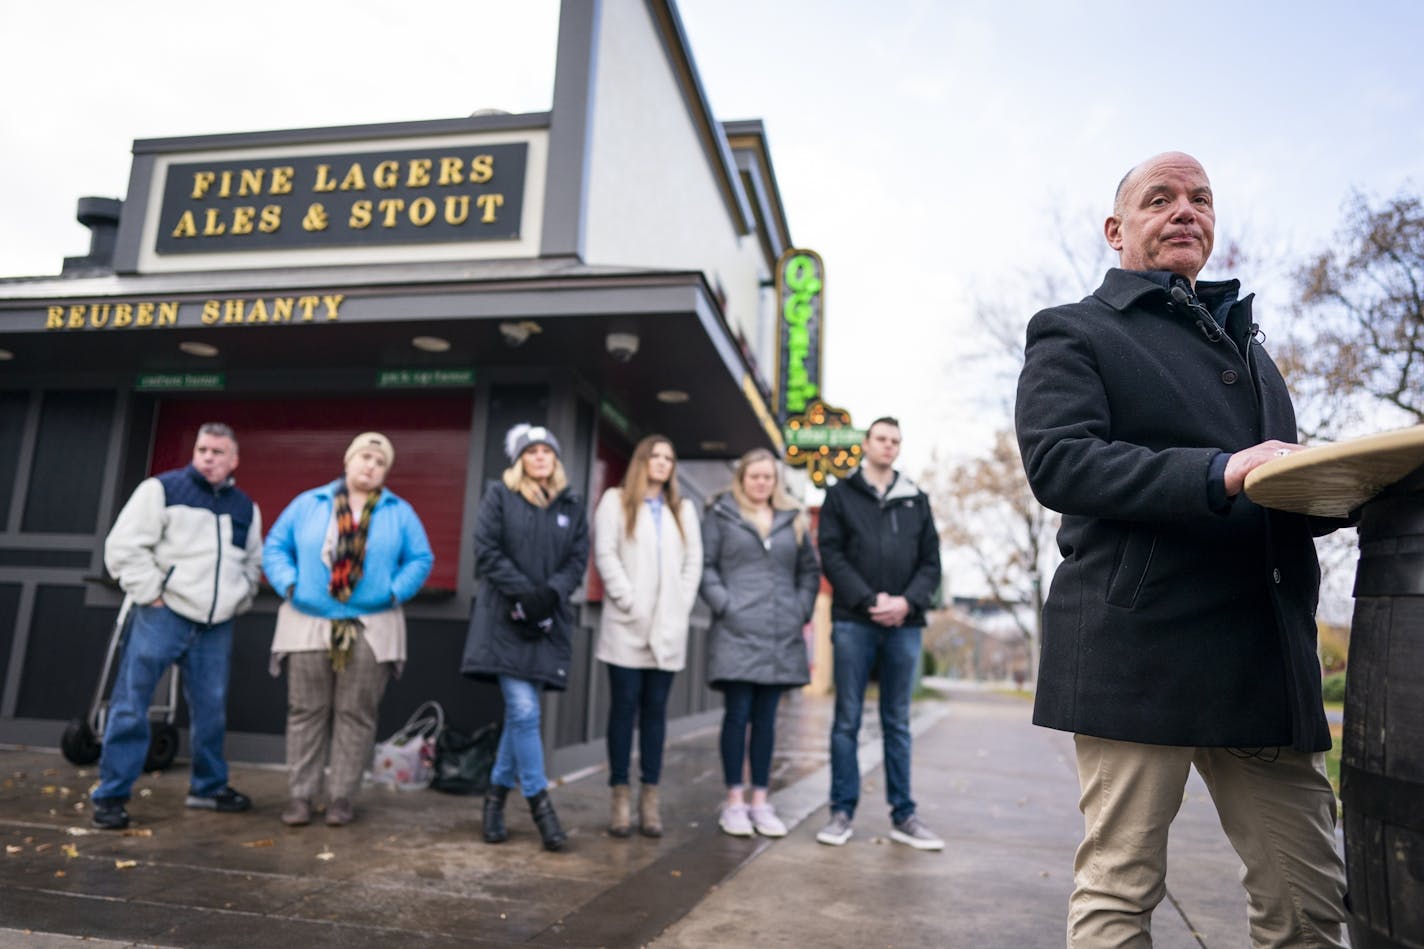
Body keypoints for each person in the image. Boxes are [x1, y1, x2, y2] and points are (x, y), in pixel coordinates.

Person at [1014, 151, 1348, 946]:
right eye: (1159, 198)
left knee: (1310, 899)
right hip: (1143, 652)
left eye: (1200, 198)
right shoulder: (1073, 330)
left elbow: (1269, 491)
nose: (1184, 210)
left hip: (1265, 661)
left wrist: (1340, 490)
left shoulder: (1252, 350)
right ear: (1115, 228)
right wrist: (1219, 471)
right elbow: (1060, 460)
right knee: (1121, 887)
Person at [91, 423, 263, 830]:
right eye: (202, 448)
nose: (208, 457)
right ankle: (111, 795)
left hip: (215, 624)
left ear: (234, 459)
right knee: (132, 704)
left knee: (211, 710)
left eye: (218, 451)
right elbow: (123, 546)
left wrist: (241, 596)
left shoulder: (245, 507)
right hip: (163, 613)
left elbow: (252, 562)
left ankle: (207, 787)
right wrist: (151, 592)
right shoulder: (161, 490)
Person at [262, 432, 433, 828]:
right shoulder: (309, 503)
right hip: (307, 623)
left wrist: (393, 591)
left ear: (385, 470)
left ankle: (341, 797)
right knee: (305, 711)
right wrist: (290, 584)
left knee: (356, 714)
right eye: (364, 457)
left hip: (370, 626)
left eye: (378, 461)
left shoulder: (398, 511)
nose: (369, 465)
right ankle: (300, 796)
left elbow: (420, 558)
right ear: (347, 460)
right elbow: (275, 546)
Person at [814, 417, 944, 851]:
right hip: (854, 620)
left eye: (895, 441)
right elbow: (830, 554)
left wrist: (905, 603)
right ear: (866, 444)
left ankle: (903, 815)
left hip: (904, 625)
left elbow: (931, 564)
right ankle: (841, 812)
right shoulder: (839, 495)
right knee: (846, 719)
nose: (888, 447)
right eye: (881, 439)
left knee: (897, 722)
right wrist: (870, 600)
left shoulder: (916, 501)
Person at [461, 424, 590, 852]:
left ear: (555, 460)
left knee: (520, 718)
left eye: (546, 452)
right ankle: (540, 804)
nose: (540, 458)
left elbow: (576, 559)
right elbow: (486, 549)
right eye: (531, 452)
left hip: (546, 623)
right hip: (505, 619)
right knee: (523, 709)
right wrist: (524, 593)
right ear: (520, 460)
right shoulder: (500, 496)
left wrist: (548, 594)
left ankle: (494, 802)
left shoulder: (571, 505)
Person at [700, 448, 819, 838]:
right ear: (742, 478)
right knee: (738, 715)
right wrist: (725, 605)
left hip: (779, 634)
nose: (761, 483)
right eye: (754, 476)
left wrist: (799, 610)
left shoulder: (793, 519)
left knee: (767, 720)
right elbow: (706, 566)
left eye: (768, 477)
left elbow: (808, 573)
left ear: (775, 480)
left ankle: (760, 802)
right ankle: (734, 801)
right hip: (736, 631)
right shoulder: (721, 514)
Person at [593, 435, 702, 838]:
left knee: (655, 713)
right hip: (626, 625)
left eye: (669, 458)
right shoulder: (615, 502)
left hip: (669, 627)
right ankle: (620, 795)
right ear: (642, 460)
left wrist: (679, 606)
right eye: (655, 456)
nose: (662, 463)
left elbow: (693, 563)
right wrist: (628, 600)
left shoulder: (682, 510)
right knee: (623, 709)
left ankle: (649, 798)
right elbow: (606, 554)